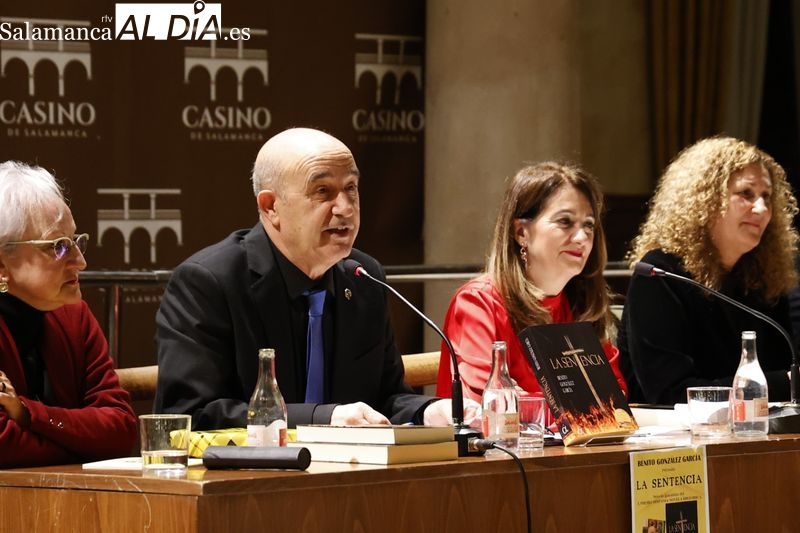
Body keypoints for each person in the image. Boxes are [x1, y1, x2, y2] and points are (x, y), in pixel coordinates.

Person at [155, 127, 479, 430]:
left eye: (351, 188)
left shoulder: (363, 277)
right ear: (270, 207)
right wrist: (324, 418)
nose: (345, 208)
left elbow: (384, 398)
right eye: (323, 191)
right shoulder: (209, 282)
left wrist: (428, 411)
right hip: (251, 471)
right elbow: (193, 414)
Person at [618, 136, 799, 405]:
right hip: (670, 430)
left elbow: (784, 368)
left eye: (767, 197)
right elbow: (671, 393)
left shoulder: (762, 279)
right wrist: (785, 384)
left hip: (758, 427)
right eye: (746, 194)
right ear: (706, 200)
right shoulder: (659, 274)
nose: (761, 209)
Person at [435, 162, 628, 413]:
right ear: (521, 232)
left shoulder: (583, 303)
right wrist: (577, 407)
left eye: (588, 225)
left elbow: (615, 398)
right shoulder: (478, 302)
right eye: (565, 222)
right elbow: (490, 404)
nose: (582, 238)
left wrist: (528, 400)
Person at [0, 161, 137, 468]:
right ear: (1, 266)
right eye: (57, 246)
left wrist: (27, 413)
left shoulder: (73, 313)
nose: (80, 261)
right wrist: (85, 445)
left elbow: (120, 430)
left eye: (76, 241)